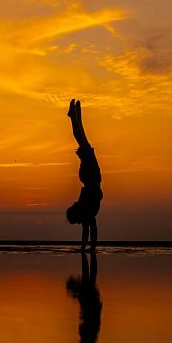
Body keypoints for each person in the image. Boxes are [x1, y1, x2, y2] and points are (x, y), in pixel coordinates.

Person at [65, 99, 102, 251]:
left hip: (91, 175)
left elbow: (91, 229)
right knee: (81, 138)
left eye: (77, 221)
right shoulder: (86, 212)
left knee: (80, 137)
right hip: (90, 176)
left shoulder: (86, 212)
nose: (80, 223)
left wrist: (90, 248)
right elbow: (87, 230)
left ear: (78, 215)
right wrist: (85, 247)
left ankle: (74, 114)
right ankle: (75, 113)